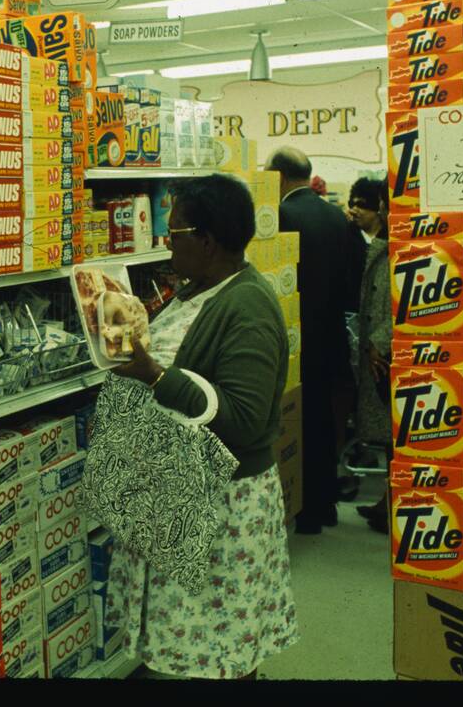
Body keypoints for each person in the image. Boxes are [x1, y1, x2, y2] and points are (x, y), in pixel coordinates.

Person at [106, 173, 298, 680]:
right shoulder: (200, 289)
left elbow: (245, 419)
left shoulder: (248, 306)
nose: (167, 243)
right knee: (197, 644)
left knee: (223, 648)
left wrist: (156, 376)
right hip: (184, 495)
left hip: (222, 506)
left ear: (207, 241)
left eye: (175, 234)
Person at [267, 146, 353, 535]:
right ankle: (326, 501)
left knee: (300, 422)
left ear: (279, 177)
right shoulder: (337, 215)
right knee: (326, 420)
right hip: (333, 334)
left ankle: (308, 511)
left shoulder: (283, 216)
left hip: (297, 334)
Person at [348, 176, 393, 533]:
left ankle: (392, 504)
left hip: (386, 350)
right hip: (377, 345)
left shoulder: (397, 246)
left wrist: (381, 340)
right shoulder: (383, 243)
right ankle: (388, 502)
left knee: (396, 434)